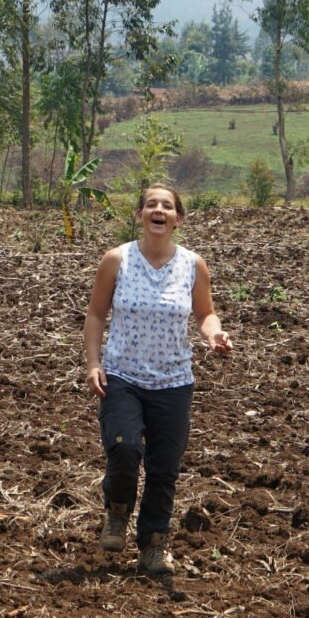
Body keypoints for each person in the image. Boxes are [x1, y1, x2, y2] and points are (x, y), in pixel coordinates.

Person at [82, 184, 232, 574]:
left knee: (164, 467)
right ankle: (117, 510)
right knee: (125, 447)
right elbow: (96, 314)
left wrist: (214, 333)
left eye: (167, 206)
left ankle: (152, 544)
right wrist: (93, 363)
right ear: (140, 215)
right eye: (151, 205)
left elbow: (204, 313)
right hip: (121, 375)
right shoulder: (116, 260)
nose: (158, 210)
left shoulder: (192, 265)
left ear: (178, 219)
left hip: (173, 380)